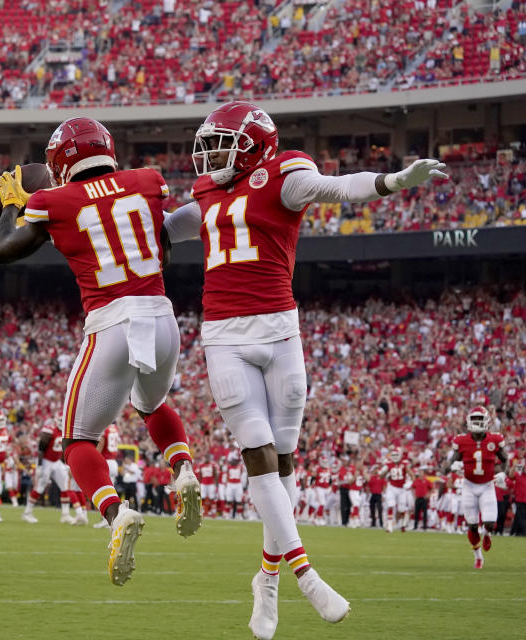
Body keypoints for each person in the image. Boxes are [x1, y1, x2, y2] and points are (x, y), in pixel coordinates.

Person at [164, 100, 447, 637]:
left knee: (285, 462)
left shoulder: (283, 177)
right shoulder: (205, 195)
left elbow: (341, 188)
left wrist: (394, 181)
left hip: (279, 327)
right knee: (260, 454)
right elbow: (163, 230)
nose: (213, 155)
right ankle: (304, 572)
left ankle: (265, 580)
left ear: (255, 147)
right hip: (224, 332)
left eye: (226, 143)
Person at [0, 117, 201, 586]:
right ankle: (183, 468)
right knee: (151, 403)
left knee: (78, 439)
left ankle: (115, 514)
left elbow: (2, 251)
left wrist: (11, 206)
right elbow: (162, 249)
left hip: (111, 321)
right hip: (163, 315)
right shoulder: (147, 181)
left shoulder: (53, 200)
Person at [441, 406, 509, 569]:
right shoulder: (461, 441)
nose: (477, 423)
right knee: (472, 525)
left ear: (486, 421)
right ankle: (478, 557)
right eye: (474, 420)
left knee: (490, 523)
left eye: (480, 419)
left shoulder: (494, 440)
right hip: (469, 485)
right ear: (469, 422)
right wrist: (452, 466)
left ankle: (487, 533)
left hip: (487, 485)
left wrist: (503, 473)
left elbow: (504, 459)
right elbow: (445, 468)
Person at [22, 418, 74, 524]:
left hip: (57, 462)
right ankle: (27, 513)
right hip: (46, 461)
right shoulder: (50, 430)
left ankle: (65, 514)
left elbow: (64, 449)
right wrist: (40, 466)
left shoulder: (66, 431)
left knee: (65, 486)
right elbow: (41, 448)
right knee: (40, 487)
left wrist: (66, 463)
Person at [379, 449, 412, 533]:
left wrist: (411, 483)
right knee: (391, 505)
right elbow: (381, 476)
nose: (394, 457)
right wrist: (384, 472)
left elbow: (411, 473)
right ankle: (389, 525)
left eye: (396, 455)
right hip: (392, 487)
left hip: (401, 489)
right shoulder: (388, 464)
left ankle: (402, 523)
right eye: (393, 456)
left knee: (401, 508)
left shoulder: (405, 464)